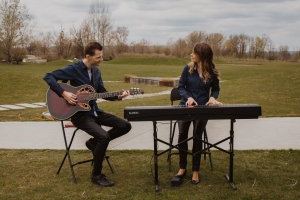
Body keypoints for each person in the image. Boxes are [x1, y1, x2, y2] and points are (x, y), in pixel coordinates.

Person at [43, 41, 131, 187]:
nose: (101, 59)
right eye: (98, 57)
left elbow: (101, 93)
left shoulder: (97, 71)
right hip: (80, 115)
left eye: (102, 56)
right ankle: (96, 175)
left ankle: (93, 144)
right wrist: (64, 93)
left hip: (95, 111)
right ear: (88, 56)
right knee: (104, 136)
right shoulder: (74, 69)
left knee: (125, 125)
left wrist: (118, 96)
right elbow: (48, 76)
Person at [171, 43, 222, 187]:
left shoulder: (212, 71)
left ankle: (195, 170)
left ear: (202, 56)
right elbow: (181, 87)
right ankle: (182, 168)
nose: (191, 55)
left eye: (194, 53)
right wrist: (188, 97)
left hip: (202, 108)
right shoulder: (187, 69)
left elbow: (216, 90)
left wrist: (213, 98)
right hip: (185, 106)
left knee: (197, 136)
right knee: (182, 135)